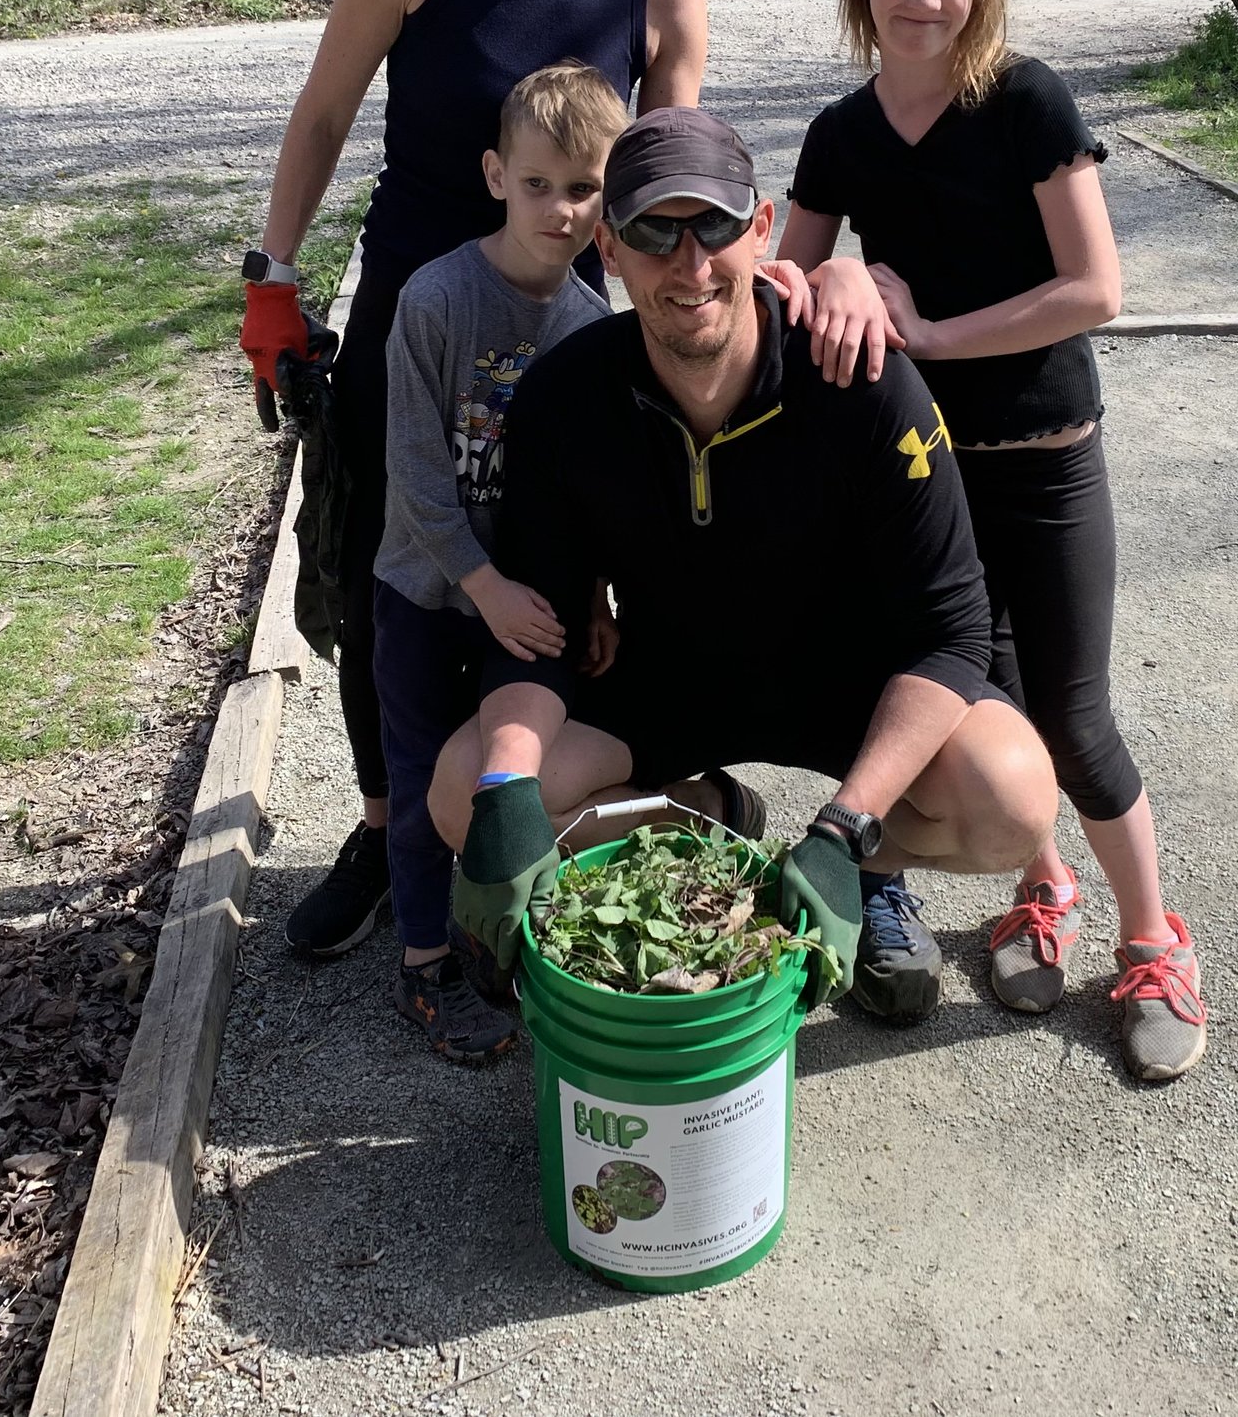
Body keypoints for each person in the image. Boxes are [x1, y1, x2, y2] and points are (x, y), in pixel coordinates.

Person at [242, 0, 708, 962]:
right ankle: (388, 826)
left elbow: (674, 191)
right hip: (409, 330)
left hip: (563, 354)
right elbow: (324, 112)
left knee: (542, 591)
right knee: (382, 583)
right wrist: (270, 278)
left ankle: (494, 818)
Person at [426, 106, 1061, 1025]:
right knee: (460, 791)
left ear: (762, 231)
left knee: (1013, 800)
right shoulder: (565, 398)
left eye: (715, 227)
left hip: (850, 686)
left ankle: (858, 870)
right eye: (654, 232)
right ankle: (717, 821)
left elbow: (952, 633)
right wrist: (506, 791)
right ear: (607, 247)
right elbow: (545, 626)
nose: (689, 265)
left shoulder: (865, 380)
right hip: (670, 681)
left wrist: (848, 827)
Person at [773, 0, 1206, 1082]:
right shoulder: (842, 132)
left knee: (1072, 718)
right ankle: (1039, 889)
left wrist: (936, 333)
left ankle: (1153, 941)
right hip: (925, 474)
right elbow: (788, 282)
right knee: (981, 703)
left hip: (1045, 458)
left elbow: (1095, 290)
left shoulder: (1024, 100)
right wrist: (845, 275)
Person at [371, 63, 630, 1061]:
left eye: (582, 189)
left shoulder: (590, 325)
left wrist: (597, 594)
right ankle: (425, 960)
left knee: (487, 779)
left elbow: (591, 488)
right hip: (430, 592)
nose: (559, 211)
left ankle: (500, 930)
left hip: (530, 602)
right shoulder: (436, 300)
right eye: (537, 185)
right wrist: (478, 585)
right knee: (413, 772)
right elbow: (416, 470)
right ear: (494, 174)